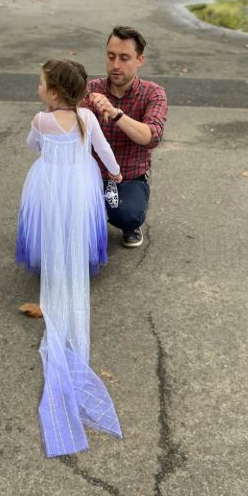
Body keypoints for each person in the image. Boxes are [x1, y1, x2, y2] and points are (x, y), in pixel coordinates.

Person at [16, 59, 123, 458]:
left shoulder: (41, 121)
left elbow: (32, 147)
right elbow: (105, 152)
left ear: (54, 92)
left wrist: (47, 141)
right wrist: (113, 174)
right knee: (75, 227)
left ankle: (52, 263)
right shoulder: (87, 120)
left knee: (48, 226)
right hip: (80, 187)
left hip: (48, 185)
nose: (38, 87)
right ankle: (71, 263)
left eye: (41, 82)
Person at [84, 26, 167, 249]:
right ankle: (91, 213)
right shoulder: (91, 88)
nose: (116, 65)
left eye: (124, 58)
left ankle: (127, 223)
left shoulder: (153, 93)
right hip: (89, 175)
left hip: (128, 178)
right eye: (111, 57)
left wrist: (115, 113)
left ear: (139, 60)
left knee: (126, 214)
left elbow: (152, 137)